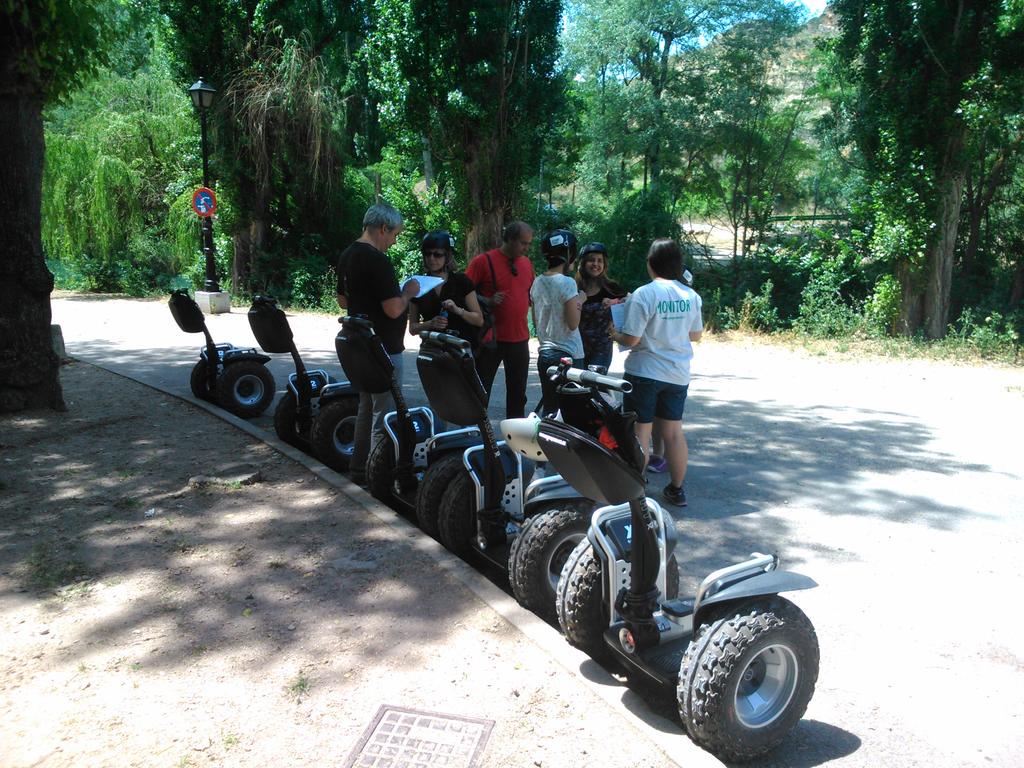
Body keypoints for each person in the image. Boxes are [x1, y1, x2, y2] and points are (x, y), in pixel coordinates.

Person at [610, 238, 703, 507]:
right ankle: (676, 489)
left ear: (651, 264)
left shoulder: (644, 294)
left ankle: (636, 491)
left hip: (644, 372)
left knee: (641, 430)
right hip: (677, 375)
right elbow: (695, 335)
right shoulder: (691, 295)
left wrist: (614, 333)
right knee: (674, 433)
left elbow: (630, 340)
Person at [336, 203, 419, 486]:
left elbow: (343, 301)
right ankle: (376, 476)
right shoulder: (378, 260)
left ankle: (359, 469)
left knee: (366, 407)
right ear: (383, 228)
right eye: (395, 234)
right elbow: (394, 309)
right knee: (385, 415)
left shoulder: (347, 254)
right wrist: (408, 293)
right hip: (383, 348)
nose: (394, 241)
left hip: (358, 345)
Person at [465, 221, 535, 420]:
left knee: (517, 394)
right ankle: (476, 432)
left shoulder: (526, 263)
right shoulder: (483, 261)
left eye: (528, 244)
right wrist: (486, 300)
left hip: (519, 339)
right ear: (510, 240)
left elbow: (528, 293)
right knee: (480, 389)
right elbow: (463, 291)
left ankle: (516, 442)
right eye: (523, 243)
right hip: (491, 339)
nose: (526, 248)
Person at [530, 229, 585, 417]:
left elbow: (536, 322)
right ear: (569, 254)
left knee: (551, 410)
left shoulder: (537, 282)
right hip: (568, 354)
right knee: (570, 413)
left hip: (545, 355)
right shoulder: (568, 283)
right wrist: (580, 300)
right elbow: (573, 323)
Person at [407, 230, 484, 346]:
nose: (432, 258)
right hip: (431, 351)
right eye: (428, 254)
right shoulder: (417, 284)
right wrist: (430, 324)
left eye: (437, 254)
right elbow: (412, 329)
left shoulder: (462, 281)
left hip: (459, 351)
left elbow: (479, 320)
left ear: (447, 256)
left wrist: (458, 310)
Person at [574, 242, 627, 371]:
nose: (596, 264)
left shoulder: (611, 287)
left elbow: (632, 300)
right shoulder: (573, 287)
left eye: (600, 261)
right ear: (583, 263)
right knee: (577, 388)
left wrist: (615, 302)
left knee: (594, 385)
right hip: (576, 349)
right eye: (591, 260)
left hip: (601, 350)